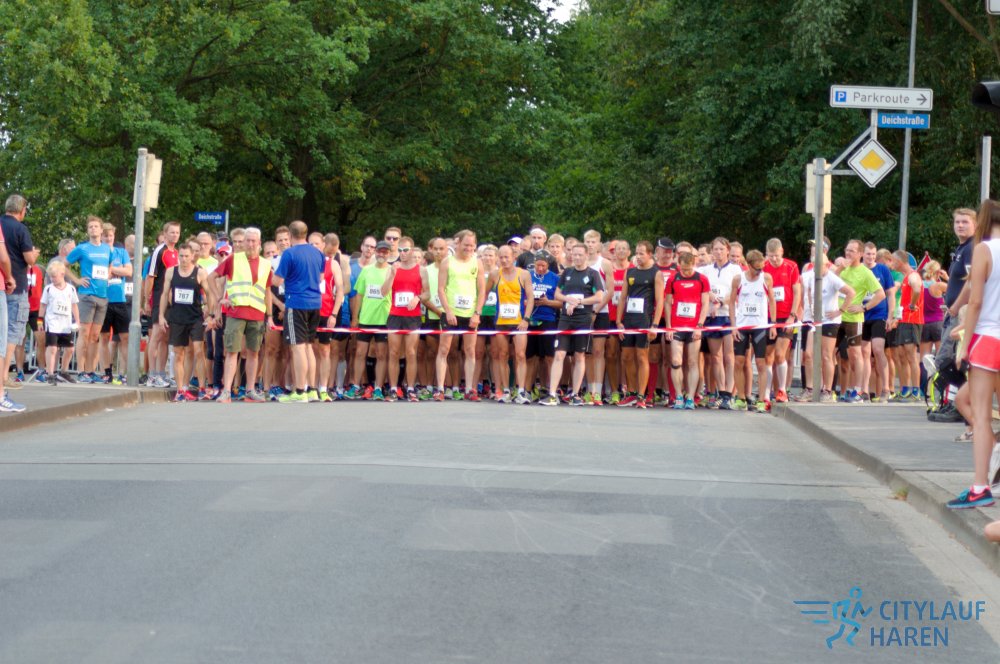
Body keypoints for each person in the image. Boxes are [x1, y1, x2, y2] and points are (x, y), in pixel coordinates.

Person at [948, 200, 1000, 510]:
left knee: (980, 416)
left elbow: (976, 301)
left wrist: (965, 343)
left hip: (988, 338)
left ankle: (980, 487)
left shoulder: (984, 249)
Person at [208, 227, 273, 403]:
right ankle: (227, 391)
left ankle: (250, 390)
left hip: (257, 313)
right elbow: (211, 277)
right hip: (236, 312)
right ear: (243, 242)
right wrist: (219, 298)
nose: (250, 244)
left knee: (254, 353)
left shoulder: (266, 264)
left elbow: (267, 291)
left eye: (253, 241)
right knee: (232, 352)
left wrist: (269, 316)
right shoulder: (233, 259)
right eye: (248, 240)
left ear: (259, 243)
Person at [539, 244, 604, 406]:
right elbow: (557, 294)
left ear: (586, 255)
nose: (577, 257)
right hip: (566, 319)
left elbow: (598, 297)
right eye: (574, 255)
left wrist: (579, 301)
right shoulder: (567, 272)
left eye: (580, 255)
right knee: (559, 354)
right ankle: (552, 394)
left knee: (579, 355)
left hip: (583, 319)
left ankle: (575, 394)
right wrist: (568, 299)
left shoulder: (593, 274)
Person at [273, 221, 326, 403]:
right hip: (315, 303)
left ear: (290, 234)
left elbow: (277, 281)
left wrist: (269, 276)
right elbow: (321, 278)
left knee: (298, 347)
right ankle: (312, 389)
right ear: (306, 233)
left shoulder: (289, 253)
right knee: (309, 345)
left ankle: (300, 390)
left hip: (296, 303)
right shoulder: (318, 253)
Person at [159, 244, 218, 401]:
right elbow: (164, 294)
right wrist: (161, 316)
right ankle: (180, 390)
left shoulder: (200, 272)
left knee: (198, 351)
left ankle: (202, 388)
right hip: (177, 318)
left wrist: (210, 314)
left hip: (195, 318)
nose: (184, 259)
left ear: (192, 256)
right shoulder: (171, 272)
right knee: (179, 354)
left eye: (186, 256)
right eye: (181, 256)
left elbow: (210, 293)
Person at [434, 230, 486, 402]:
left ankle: (470, 389)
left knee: (470, 350)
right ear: (458, 243)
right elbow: (440, 289)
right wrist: (448, 311)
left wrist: (477, 313)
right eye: (466, 245)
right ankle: (440, 389)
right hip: (451, 313)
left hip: (470, 314)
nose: (469, 248)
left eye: (472, 245)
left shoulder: (477, 262)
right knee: (444, 350)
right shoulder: (447, 262)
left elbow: (482, 290)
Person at [835, 240, 886, 403]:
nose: (848, 253)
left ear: (860, 254)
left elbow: (881, 294)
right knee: (828, 353)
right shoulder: (842, 267)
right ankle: (827, 389)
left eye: (852, 251)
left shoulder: (865, 272)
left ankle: (858, 391)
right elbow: (828, 282)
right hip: (836, 317)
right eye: (846, 250)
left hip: (853, 319)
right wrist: (839, 268)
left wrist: (864, 307)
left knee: (855, 354)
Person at [801, 255, 855, 402]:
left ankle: (827, 390)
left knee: (826, 355)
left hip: (830, 321)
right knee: (808, 354)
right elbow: (809, 292)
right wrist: (811, 308)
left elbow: (850, 292)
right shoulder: (812, 277)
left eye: (819, 265)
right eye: (814, 265)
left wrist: (840, 310)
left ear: (826, 265)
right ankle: (810, 388)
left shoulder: (832, 278)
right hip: (815, 321)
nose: (816, 268)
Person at [66, 216, 114, 383]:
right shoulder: (82, 248)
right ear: (88, 230)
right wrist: (77, 280)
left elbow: (109, 265)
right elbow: (64, 265)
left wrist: (108, 275)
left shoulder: (107, 249)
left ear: (101, 230)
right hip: (87, 295)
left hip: (103, 296)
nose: (93, 229)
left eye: (96, 226)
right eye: (90, 227)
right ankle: (81, 371)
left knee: (95, 336)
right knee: (84, 333)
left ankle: (90, 371)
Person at [616, 241, 663, 408]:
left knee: (642, 357)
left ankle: (642, 396)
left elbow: (660, 301)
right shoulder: (630, 272)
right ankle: (632, 393)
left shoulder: (656, 273)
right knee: (626, 357)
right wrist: (619, 321)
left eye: (642, 253)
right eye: (637, 253)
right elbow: (623, 297)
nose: (639, 256)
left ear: (650, 254)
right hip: (629, 319)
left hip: (644, 320)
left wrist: (655, 325)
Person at [697, 238, 743, 409]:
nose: (718, 252)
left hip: (729, 316)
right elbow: (702, 285)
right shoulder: (706, 270)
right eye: (715, 249)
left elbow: (735, 291)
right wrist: (710, 296)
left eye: (721, 249)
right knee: (715, 356)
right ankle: (721, 392)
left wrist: (721, 302)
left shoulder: (735, 269)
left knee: (729, 356)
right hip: (712, 317)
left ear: (727, 250)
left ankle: (729, 393)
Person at [486, 245, 534, 404]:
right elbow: (484, 293)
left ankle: (520, 391)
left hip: (519, 322)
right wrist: (478, 311)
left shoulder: (524, 274)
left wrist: (526, 319)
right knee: (502, 355)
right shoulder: (494, 274)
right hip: (501, 322)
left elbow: (530, 298)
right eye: (501, 257)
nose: (504, 260)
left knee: (520, 355)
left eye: (507, 257)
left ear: (514, 257)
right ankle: (506, 390)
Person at [729, 250, 776, 413]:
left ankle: (762, 400)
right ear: (748, 265)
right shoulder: (738, 279)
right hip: (742, 326)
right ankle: (741, 398)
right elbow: (731, 303)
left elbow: (772, 301)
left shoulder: (766, 278)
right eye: (757, 268)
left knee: (761, 363)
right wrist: (733, 326)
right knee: (739, 362)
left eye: (762, 268)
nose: (760, 271)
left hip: (760, 326)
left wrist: (773, 324)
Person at [384, 236, 430, 402]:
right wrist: (392, 274)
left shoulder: (421, 270)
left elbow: (428, 293)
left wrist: (417, 298)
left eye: (406, 250)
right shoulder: (393, 268)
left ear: (412, 250)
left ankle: (410, 388)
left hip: (413, 316)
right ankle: (393, 389)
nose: (402, 253)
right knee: (393, 352)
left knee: (411, 353)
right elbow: (383, 292)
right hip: (395, 315)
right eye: (400, 250)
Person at [663, 250, 710, 410]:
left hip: (694, 326)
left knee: (692, 362)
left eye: (689, 269)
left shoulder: (702, 279)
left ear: (693, 265)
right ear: (679, 266)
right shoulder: (673, 279)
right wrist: (669, 326)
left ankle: (690, 396)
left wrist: (699, 325)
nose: (686, 272)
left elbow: (705, 303)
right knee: (676, 361)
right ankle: (678, 396)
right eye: (683, 269)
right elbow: (667, 303)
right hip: (677, 326)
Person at [1, 194, 35, 409]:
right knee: (13, 332)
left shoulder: (0, 224)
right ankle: (4, 375)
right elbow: (30, 259)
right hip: (16, 284)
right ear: (22, 210)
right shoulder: (20, 229)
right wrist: (35, 254)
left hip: (2, 285)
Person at [347, 240, 392, 400]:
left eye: (385, 252)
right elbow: (359, 295)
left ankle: (378, 388)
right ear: (375, 252)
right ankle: (356, 386)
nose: (381, 254)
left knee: (381, 355)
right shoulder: (366, 270)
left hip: (384, 320)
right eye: (379, 251)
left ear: (389, 254)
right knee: (360, 353)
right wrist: (355, 317)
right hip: (366, 318)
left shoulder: (392, 271)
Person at [762, 238, 801, 403]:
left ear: (782, 252)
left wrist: (793, 315)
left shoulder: (791, 266)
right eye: (771, 256)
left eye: (777, 256)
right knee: (768, 356)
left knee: (780, 354)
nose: (774, 259)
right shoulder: (763, 267)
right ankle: (766, 393)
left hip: (786, 316)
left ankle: (782, 390)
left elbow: (797, 292)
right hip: (768, 317)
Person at [143, 220, 181, 387]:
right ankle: (152, 375)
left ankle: (161, 374)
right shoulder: (159, 251)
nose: (175, 235)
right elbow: (150, 277)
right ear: (165, 234)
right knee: (156, 335)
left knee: (165, 337)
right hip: (159, 298)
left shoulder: (177, 253)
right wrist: (147, 300)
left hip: (172, 301)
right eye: (172, 232)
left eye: (177, 232)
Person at [860, 242, 896, 402]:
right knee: (864, 352)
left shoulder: (882, 270)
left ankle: (886, 388)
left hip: (879, 315)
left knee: (878, 349)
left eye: (873, 254)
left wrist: (890, 316)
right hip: (861, 316)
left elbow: (890, 294)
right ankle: (864, 390)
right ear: (862, 254)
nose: (871, 257)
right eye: (868, 254)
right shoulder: (858, 270)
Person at [98, 223, 133, 384]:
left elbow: (128, 271)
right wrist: (111, 271)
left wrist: (111, 270)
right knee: (104, 337)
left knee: (125, 337)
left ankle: (128, 372)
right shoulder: (98, 253)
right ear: (101, 237)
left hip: (120, 300)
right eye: (105, 236)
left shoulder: (121, 252)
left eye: (110, 235)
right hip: (103, 300)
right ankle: (106, 372)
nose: (108, 238)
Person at [314, 233, 346, 402]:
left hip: (326, 312)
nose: (330, 255)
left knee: (325, 350)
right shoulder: (310, 261)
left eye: (334, 252)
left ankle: (323, 388)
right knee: (310, 350)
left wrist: (334, 313)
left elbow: (340, 289)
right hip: (309, 311)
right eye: (328, 251)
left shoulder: (333, 264)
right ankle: (309, 387)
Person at [583, 230, 613, 405]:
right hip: (582, 311)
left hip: (601, 312)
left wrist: (595, 311)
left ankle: (597, 391)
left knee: (598, 351)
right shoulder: (581, 262)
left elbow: (609, 291)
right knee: (586, 352)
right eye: (587, 241)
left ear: (599, 243)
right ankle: (589, 389)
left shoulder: (605, 263)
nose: (590, 244)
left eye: (593, 241)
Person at [37, 262, 80, 386]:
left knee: (70, 349)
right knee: (52, 348)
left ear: (62, 274)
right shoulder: (48, 289)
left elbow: (74, 305)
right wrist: (40, 321)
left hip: (66, 325)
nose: (52, 279)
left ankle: (64, 371)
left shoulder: (70, 289)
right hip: (52, 323)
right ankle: (50, 373)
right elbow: (43, 305)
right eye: (51, 277)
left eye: (54, 276)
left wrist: (78, 321)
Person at [889, 249, 923, 402]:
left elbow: (916, 289)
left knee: (911, 355)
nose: (891, 264)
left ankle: (916, 391)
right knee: (901, 355)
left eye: (893, 261)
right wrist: (897, 318)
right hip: (904, 320)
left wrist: (913, 304)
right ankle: (904, 389)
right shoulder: (904, 277)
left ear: (900, 261)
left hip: (912, 320)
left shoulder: (913, 275)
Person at [525, 250, 560, 399]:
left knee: (549, 357)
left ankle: (551, 390)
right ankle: (527, 390)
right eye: (538, 265)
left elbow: (561, 303)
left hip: (548, 319)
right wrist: (528, 302)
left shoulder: (555, 278)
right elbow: (520, 298)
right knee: (530, 357)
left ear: (548, 265)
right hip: (530, 319)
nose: (540, 269)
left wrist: (547, 302)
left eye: (543, 266)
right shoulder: (527, 275)